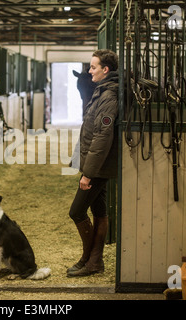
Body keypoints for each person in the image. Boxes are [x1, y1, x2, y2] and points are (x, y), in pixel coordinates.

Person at [67, 49, 119, 277]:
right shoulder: (102, 91)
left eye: (93, 67)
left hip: (97, 167)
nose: (89, 71)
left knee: (76, 211)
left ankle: (89, 259)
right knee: (99, 210)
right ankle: (94, 262)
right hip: (95, 164)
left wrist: (87, 173)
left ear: (105, 70)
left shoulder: (109, 96)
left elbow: (102, 137)